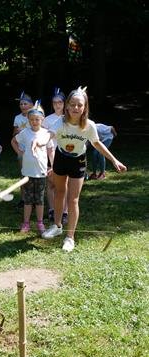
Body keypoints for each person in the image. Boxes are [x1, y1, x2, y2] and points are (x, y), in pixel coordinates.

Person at [42, 86, 127, 252]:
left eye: (79, 105)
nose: (75, 108)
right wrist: (40, 141)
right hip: (60, 158)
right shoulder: (60, 122)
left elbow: (97, 143)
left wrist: (114, 160)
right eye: (72, 104)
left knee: (73, 199)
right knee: (60, 193)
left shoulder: (89, 126)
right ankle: (57, 226)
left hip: (78, 161)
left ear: (84, 107)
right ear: (66, 106)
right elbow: (49, 134)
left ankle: (70, 237)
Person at [11, 101, 54, 234]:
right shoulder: (24, 133)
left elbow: (50, 150)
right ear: (28, 120)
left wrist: (52, 165)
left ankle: (40, 222)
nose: (34, 122)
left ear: (42, 119)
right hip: (27, 172)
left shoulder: (47, 133)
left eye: (37, 119)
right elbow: (13, 141)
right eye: (32, 120)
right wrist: (19, 152)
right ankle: (26, 223)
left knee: (40, 200)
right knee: (28, 200)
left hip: (41, 172)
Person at [43, 87, 68, 224]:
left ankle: (65, 212)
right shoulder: (47, 120)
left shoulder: (69, 118)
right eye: (54, 102)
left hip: (66, 155)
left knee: (66, 185)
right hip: (50, 154)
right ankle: (52, 209)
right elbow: (45, 139)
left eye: (60, 102)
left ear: (64, 103)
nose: (57, 105)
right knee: (51, 183)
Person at [12, 91, 34, 207]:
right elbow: (14, 134)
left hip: (34, 151)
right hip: (21, 150)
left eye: (25, 104)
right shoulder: (17, 118)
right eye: (21, 104)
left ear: (31, 105)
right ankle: (23, 198)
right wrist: (18, 131)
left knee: (34, 176)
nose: (23, 106)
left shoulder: (35, 115)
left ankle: (34, 199)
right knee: (23, 174)